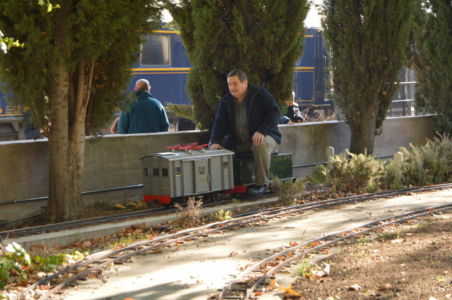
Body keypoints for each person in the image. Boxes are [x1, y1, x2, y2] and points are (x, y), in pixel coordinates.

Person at [210, 69, 282, 196]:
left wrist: (261, 131)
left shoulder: (260, 94)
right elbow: (219, 123)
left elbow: (275, 112)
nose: (232, 87)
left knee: (260, 143)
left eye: (235, 83)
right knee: (214, 148)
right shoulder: (226, 101)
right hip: (239, 141)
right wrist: (215, 142)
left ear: (245, 83)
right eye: (229, 84)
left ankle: (262, 184)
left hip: (267, 136)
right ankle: (220, 186)